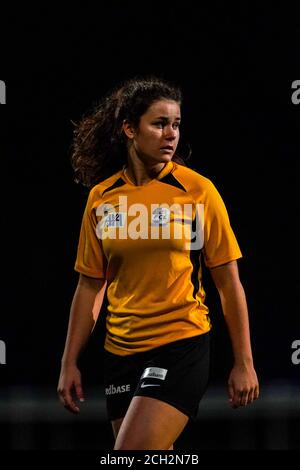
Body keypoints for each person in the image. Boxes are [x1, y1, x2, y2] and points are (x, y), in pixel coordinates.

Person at [57, 75, 259, 450]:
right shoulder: (102, 198)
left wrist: (243, 362)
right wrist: (69, 362)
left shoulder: (197, 191)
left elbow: (229, 282)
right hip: (120, 352)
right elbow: (90, 285)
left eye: (176, 124)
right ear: (130, 129)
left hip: (180, 343)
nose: (171, 134)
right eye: (160, 123)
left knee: (130, 454)